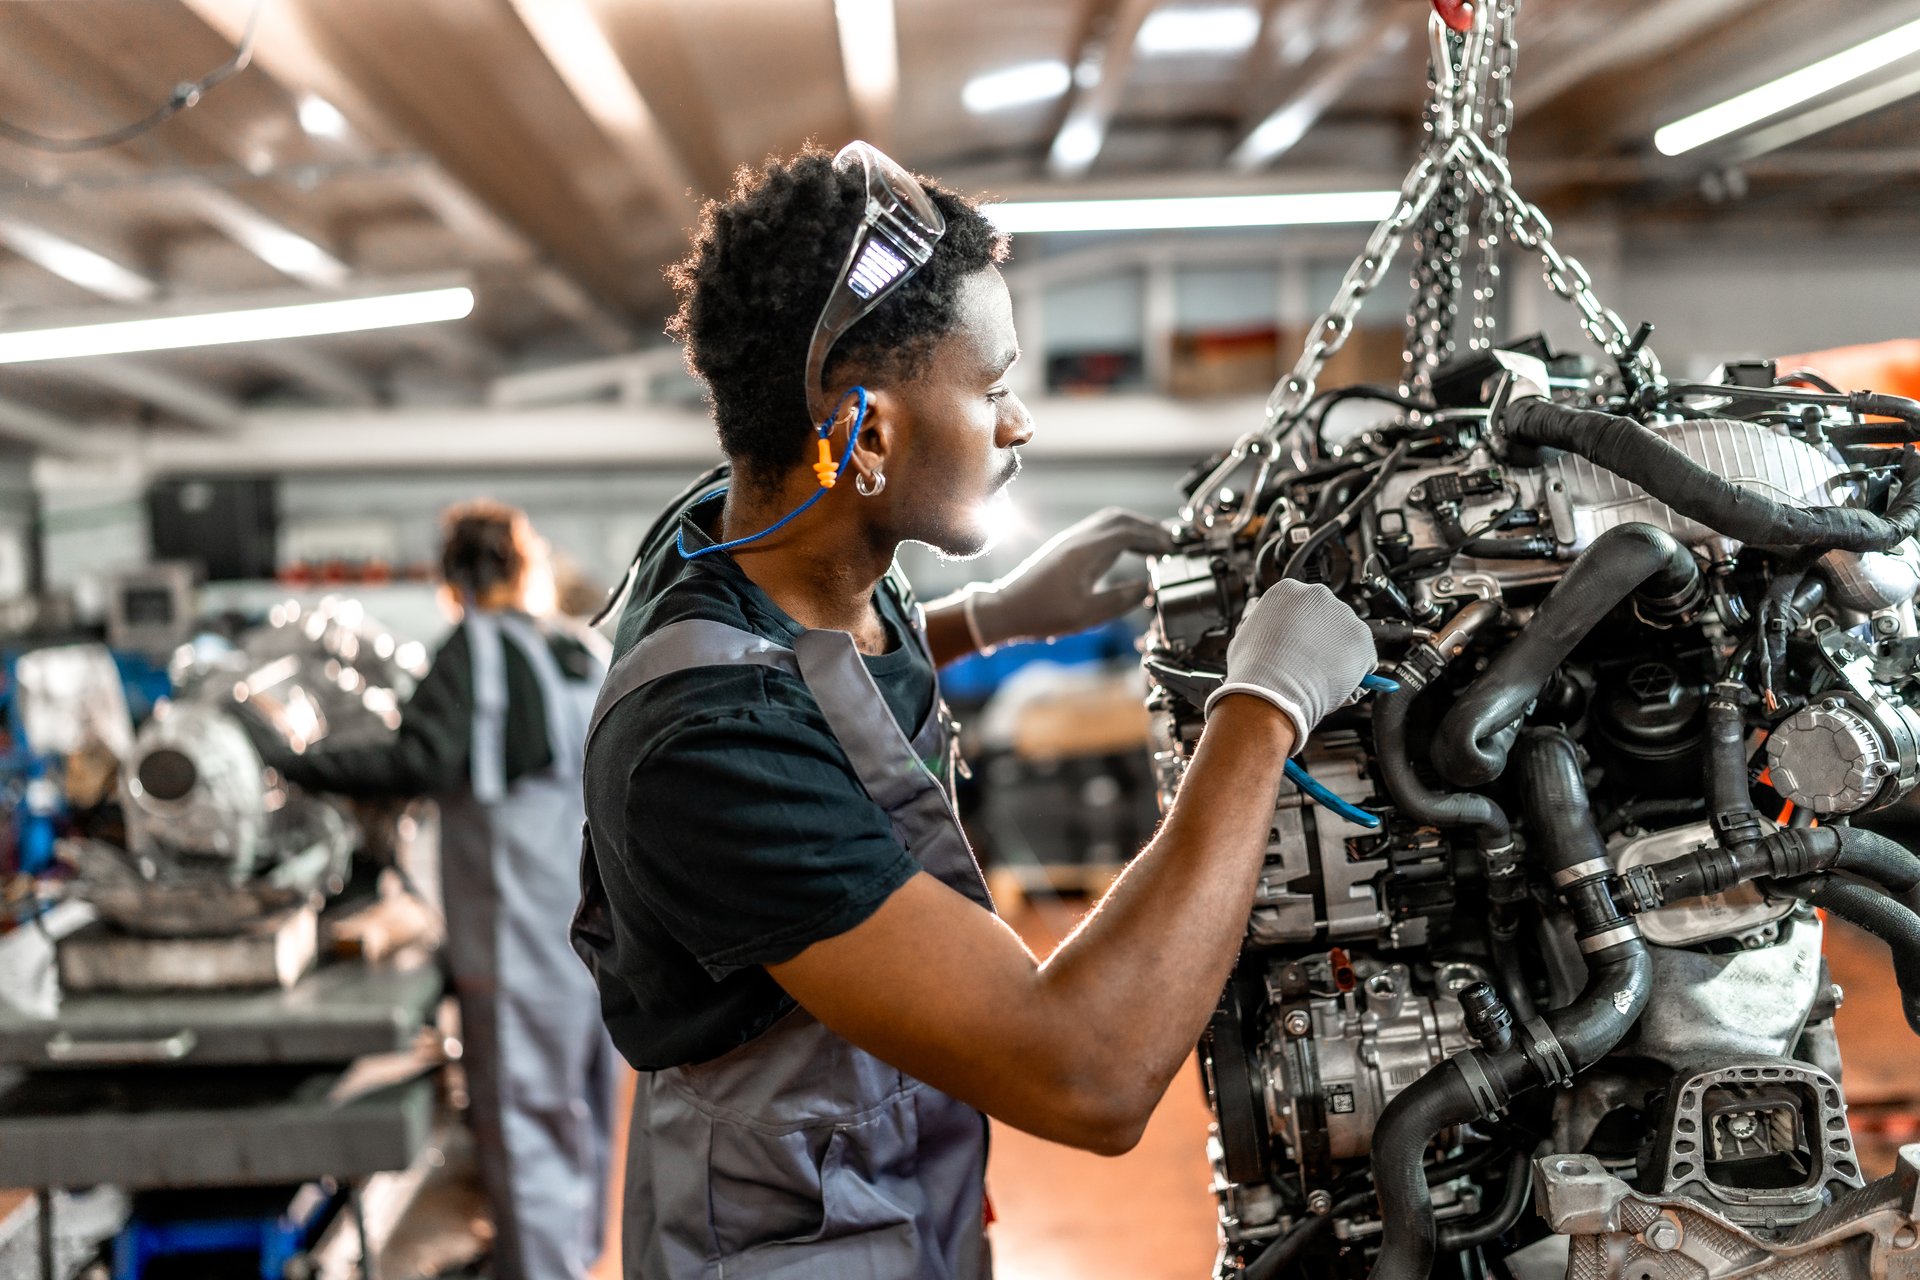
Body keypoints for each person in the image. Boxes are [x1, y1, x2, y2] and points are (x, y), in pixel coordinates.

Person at [575, 143, 1377, 1278]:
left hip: (889, 1185)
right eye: (993, 386)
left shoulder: (759, 528)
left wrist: (990, 619)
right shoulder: (707, 749)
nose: (1020, 425)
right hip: (785, 1237)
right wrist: (1263, 707)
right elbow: (1089, 1070)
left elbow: (811, 681)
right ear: (869, 433)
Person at [266, 501, 616, 1280]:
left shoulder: (474, 654)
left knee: (525, 1122)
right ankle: (576, 1254)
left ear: (450, 577)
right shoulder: (581, 651)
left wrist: (293, 761)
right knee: (585, 1109)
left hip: (518, 940)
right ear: (526, 567)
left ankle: (542, 1269)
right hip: (600, 937)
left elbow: (413, 761)